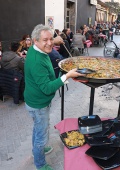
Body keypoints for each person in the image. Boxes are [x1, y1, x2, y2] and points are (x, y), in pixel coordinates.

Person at [24, 24, 84, 170]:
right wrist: (67, 76)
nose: (49, 43)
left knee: (37, 129)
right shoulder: (37, 61)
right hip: (38, 104)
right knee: (41, 136)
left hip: (33, 100)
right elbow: (47, 88)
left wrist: (53, 40)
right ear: (35, 41)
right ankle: (40, 164)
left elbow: (47, 41)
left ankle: (36, 151)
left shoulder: (34, 48)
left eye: (51, 39)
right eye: (45, 40)